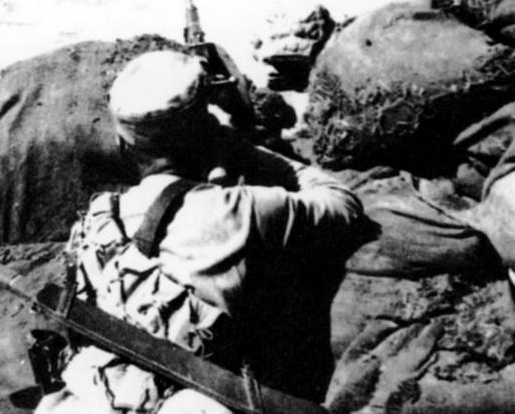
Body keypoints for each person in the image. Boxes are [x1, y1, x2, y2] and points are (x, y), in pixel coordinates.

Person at [35, 50, 365, 414]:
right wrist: (244, 150)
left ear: (122, 143)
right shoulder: (238, 210)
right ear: (205, 132)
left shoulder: (99, 215)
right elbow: (342, 203)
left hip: (91, 398)